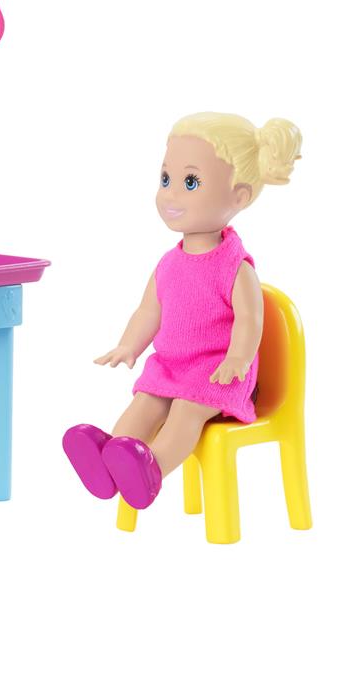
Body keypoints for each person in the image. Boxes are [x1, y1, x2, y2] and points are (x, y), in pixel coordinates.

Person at [62, 112, 302, 509]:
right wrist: (129, 345)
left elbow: (250, 318)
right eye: (165, 179)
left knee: (186, 411)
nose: (171, 195)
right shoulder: (169, 264)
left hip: (216, 374)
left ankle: (151, 471)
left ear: (239, 197)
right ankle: (111, 462)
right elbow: (147, 312)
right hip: (171, 367)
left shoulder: (235, 266)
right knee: (145, 402)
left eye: (190, 182)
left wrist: (238, 359)